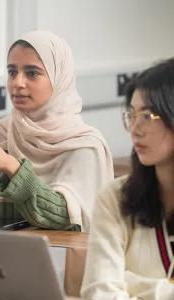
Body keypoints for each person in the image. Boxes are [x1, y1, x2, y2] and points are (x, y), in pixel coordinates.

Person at [0, 30, 113, 231]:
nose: (17, 83)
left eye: (32, 73)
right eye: (12, 72)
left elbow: (66, 219)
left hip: (63, 260)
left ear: (59, 78)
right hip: (2, 258)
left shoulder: (84, 145)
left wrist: (11, 166)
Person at [81, 57, 174, 298]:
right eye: (131, 115)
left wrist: (131, 284)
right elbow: (99, 294)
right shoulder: (114, 197)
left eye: (147, 115)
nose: (134, 128)